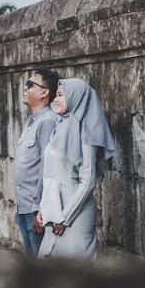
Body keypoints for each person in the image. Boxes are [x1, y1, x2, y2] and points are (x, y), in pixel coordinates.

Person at [36, 78, 116, 260]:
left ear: (75, 98)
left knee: (75, 278)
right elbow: (51, 175)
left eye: (60, 95)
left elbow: (87, 181)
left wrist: (65, 217)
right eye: (56, 95)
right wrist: (43, 208)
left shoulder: (86, 133)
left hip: (74, 217)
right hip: (55, 212)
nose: (55, 99)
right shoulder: (60, 128)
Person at [14, 68, 60, 257]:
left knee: (40, 268)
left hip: (35, 211)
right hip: (24, 206)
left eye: (30, 84)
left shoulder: (47, 122)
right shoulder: (32, 121)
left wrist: (37, 209)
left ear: (44, 92)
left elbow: (48, 167)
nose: (25, 87)